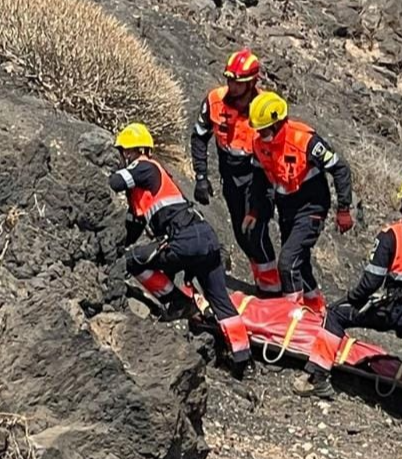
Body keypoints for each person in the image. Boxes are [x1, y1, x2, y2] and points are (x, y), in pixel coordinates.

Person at [296, 175, 402, 441]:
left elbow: (371, 281)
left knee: (337, 316)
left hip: (395, 310)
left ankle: (315, 378)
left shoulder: (390, 236)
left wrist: (350, 299)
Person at [108, 122, 251, 370]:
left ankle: (177, 302)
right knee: (221, 302)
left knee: (133, 261)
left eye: (124, 152)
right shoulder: (154, 183)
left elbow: (116, 182)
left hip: (185, 240)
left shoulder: (144, 166)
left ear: (132, 151)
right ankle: (243, 360)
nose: (124, 157)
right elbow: (136, 225)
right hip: (206, 238)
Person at [244, 91, 354, 312]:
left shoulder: (305, 140)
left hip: (311, 208)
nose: (259, 133)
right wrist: (254, 210)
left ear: (277, 123)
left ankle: (291, 315)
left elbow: (340, 169)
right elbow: (258, 180)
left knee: (287, 263)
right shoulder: (259, 145)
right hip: (286, 210)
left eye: (263, 128)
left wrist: (343, 209)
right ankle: (317, 309)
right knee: (299, 262)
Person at [190, 48, 280, 295]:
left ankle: (272, 291)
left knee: (256, 233)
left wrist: (259, 203)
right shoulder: (214, 100)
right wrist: (201, 176)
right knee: (241, 235)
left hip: (258, 177)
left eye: (237, 82)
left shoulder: (263, 109)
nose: (231, 85)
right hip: (230, 177)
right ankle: (262, 283)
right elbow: (199, 137)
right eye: (229, 79)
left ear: (252, 82)